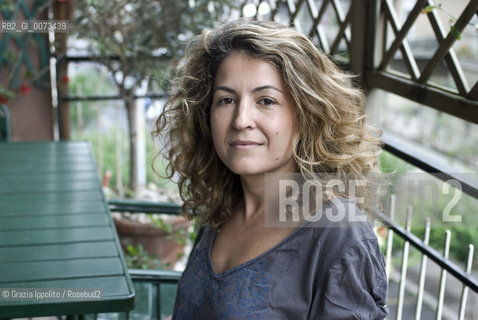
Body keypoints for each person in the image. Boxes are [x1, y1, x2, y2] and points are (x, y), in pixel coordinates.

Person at [153, 19, 388, 319]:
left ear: (305, 115)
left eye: (266, 100)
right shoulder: (223, 204)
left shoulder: (339, 234)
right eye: (226, 100)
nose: (241, 120)